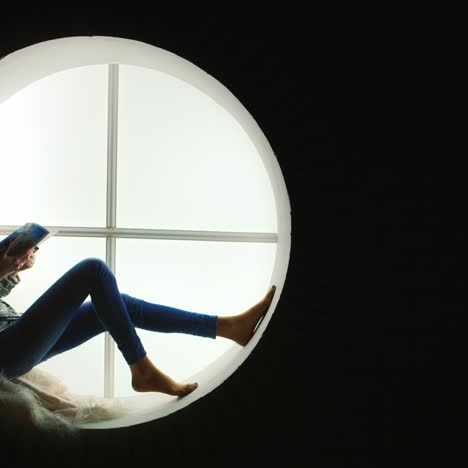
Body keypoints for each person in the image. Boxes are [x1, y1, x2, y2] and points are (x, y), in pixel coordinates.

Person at [0, 236, 276, 397]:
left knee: (118, 304)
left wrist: (16, 265)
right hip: (6, 351)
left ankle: (227, 327)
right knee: (93, 270)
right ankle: (142, 369)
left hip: (14, 340)